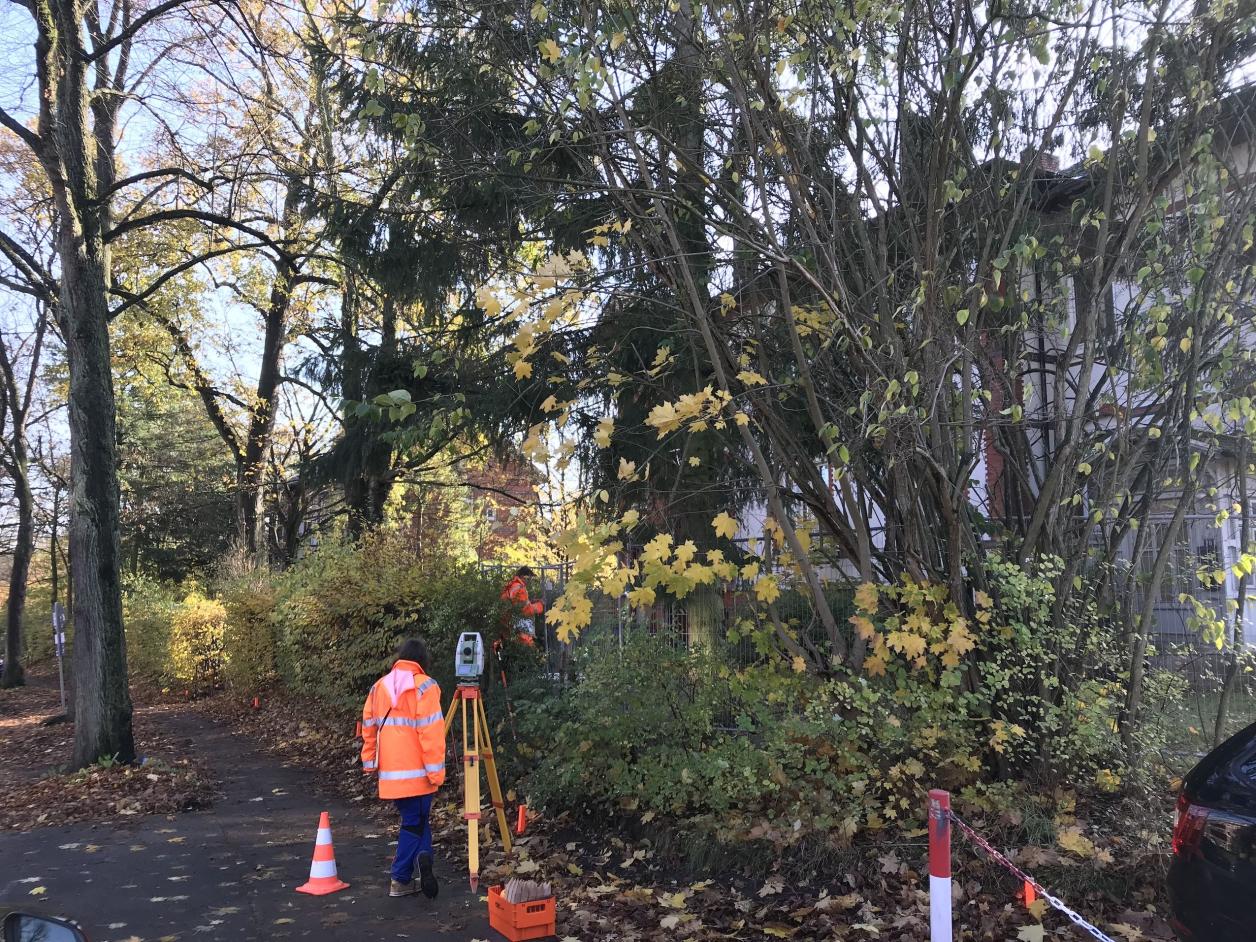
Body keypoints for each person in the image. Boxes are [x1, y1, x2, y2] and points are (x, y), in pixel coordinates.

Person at [361, 638, 446, 899]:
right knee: (414, 823)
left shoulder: (378, 687)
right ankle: (399, 878)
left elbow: (369, 728)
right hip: (419, 774)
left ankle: (424, 860)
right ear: (422, 662)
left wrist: (370, 762)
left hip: (391, 775)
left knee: (418, 821)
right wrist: (436, 773)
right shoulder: (426, 687)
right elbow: (431, 734)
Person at [501, 566, 545, 646]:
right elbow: (526, 610)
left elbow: (517, 603)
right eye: (528, 578)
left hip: (509, 620)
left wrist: (531, 602)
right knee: (526, 645)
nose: (529, 581)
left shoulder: (512, 584)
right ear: (522, 576)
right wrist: (540, 605)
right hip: (520, 621)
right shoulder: (520, 587)